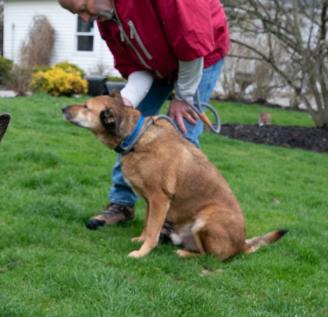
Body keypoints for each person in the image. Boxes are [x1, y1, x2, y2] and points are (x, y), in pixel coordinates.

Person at [58, 0, 230, 229]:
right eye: (77, 13)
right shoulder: (107, 20)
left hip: (200, 57)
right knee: (128, 130)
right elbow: (134, 67)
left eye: (82, 8)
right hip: (155, 66)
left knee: (183, 130)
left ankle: (172, 218)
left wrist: (183, 96)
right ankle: (121, 204)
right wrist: (124, 104)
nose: (85, 19)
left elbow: (192, 39)